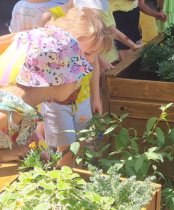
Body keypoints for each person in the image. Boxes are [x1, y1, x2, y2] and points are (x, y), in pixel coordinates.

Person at [0, 7, 112, 165]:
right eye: (75, 79)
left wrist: (38, 148)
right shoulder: (14, 110)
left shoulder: (28, 102)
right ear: (57, 80)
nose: (77, 85)